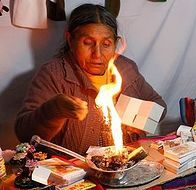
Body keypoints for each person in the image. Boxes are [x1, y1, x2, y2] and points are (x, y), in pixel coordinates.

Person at [15, 4, 167, 155]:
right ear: (70, 40)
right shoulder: (54, 74)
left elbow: (160, 106)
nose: (97, 54)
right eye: (88, 43)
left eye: (106, 44)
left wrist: (141, 118)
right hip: (76, 174)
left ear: (115, 42)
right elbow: (25, 134)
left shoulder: (126, 68)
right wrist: (54, 110)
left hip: (129, 166)